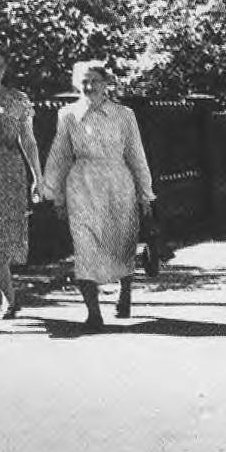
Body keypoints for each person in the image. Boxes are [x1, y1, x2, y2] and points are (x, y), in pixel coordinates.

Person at [39, 61, 155, 330]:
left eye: (95, 81)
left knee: (122, 242)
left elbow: (136, 155)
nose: (89, 87)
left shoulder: (124, 115)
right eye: (84, 81)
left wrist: (145, 194)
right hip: (82, 186)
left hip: (118, 184)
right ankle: (94, 313)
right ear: (76, 84)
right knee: (84, 247)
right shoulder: (67, 115)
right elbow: (60, 154)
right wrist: (55, 194)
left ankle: (125, 293)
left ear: (106, 83)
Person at [0, 47, 44, 327]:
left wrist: (38, 176)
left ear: (6, 68)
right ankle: (11, 298)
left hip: (9, 174)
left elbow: (29, 141)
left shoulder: (17, 100)